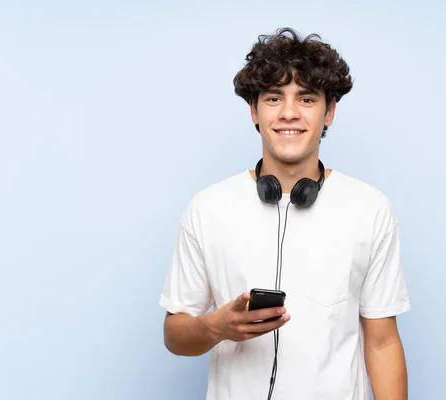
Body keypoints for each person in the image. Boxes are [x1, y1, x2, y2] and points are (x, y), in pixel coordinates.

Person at [159, 27, 411, 400]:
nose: (289, 113)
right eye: (274, 98)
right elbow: (175, 335)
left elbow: (382, 343)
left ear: (329, 112)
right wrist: (217, 328)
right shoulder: (208, 208)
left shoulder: (370, 209)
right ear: (254, 111)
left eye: (306, 99)